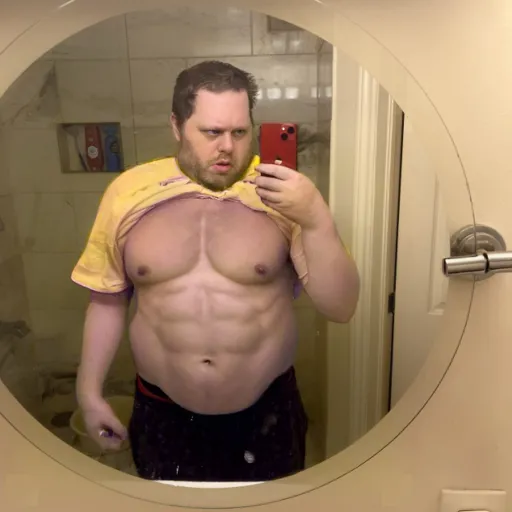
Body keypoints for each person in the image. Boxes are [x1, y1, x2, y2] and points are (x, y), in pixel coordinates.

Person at [72, 60, 360, 482]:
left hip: (266, 414)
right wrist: (88, 393)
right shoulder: (129, 194)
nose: (227, 146)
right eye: (211, 132)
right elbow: (106, 300)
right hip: (163, 412)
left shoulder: (284, 195)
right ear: (176, 125)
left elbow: (341, 307)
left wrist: (316, 217)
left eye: (239, 132)